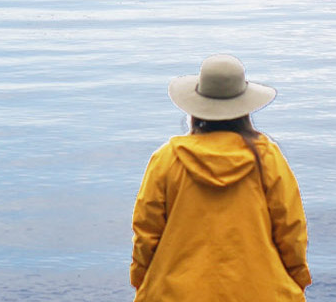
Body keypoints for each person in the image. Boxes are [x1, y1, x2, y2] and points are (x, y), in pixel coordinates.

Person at [130, 54, 311, 301]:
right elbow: (291, 231)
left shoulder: (167, 159)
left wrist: (143, 281)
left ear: (196, 108)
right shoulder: (267, 158)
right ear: (244, 109)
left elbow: (146, 233)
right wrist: (296, 279)